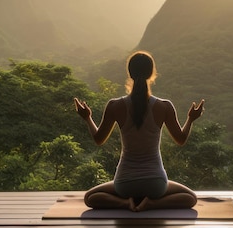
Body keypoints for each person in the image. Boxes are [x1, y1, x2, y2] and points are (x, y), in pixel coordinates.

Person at [74, 50, 205, 211]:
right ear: (152, 74)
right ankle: (151, 204)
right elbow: (181, 139)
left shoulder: (115, 106)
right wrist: (191, 118)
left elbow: (99, 139)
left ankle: (125, 203)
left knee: (90, 198)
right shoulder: (164, 106)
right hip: (156, 184)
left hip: (124, 184)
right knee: (190, 198)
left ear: (130, 73)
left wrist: (87, 117)